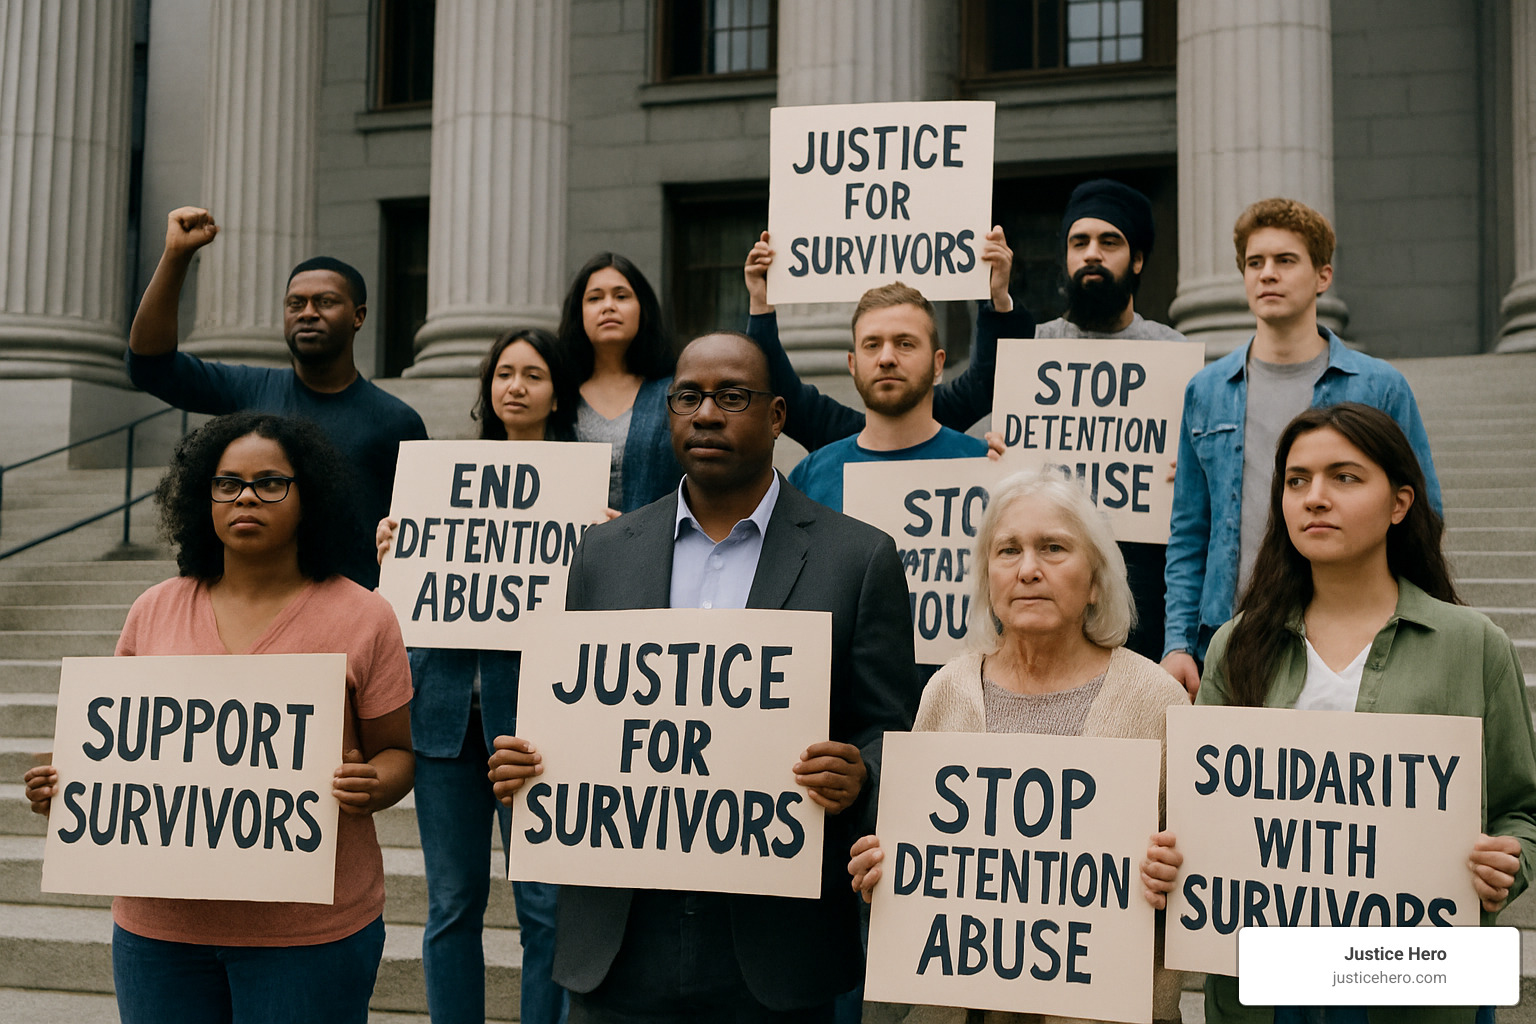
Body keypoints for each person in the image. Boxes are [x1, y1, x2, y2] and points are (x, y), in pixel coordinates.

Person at [487, 330, 922, 1021]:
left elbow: (890, 732)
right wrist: (528, 762)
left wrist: (860, 773)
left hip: (776, 952)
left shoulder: (859, 558)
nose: (707, 414)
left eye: (733, 397)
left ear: (777, 416)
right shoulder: (601, 553)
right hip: (619, 945)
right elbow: (576, 719)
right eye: (687, 397)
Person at [1141, 403, 1536, 1024]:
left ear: (1400, 503)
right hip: (1264, 989)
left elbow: (1521, 810)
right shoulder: (1236, 644)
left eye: (1344, 477)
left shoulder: (1475, 645)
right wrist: (1168, 858)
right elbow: (1198, 817)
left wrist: (1510, 861)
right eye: (1297, 480)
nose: (1315, 497)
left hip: (1415, 986)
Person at [23, 411, 413, 1023]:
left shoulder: (365, 616)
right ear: (203, 497)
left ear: (309, 496)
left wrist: (374, 784)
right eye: (227, 483)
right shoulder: (153, 609)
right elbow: (122, 746)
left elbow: (399, 754)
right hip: (159, 934)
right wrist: (70, 787)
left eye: (270, 483)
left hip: (309, 934)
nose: (245, 498)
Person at [849, 468, 1188, 1024]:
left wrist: (1175, 873)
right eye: (1008, 550)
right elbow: (920, 856)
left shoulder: (1156, 700)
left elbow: (1201, 879)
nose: (1028, 569)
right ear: (987, 579)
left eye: (1053, 547)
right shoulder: (946, 692)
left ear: (1096, 581)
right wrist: (885, 868)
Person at [1161, 198, 1442, 698]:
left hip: (1354, 636)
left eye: (1285, 260)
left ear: (1322, 276)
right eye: (1255, 262)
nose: (1267, 273)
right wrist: (1178, 643)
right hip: (1233, 635)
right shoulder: (1206, 390)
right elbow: (1189, 531)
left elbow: (1422, 515)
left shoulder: (1378, 386)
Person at [376, 328, 575, 1024]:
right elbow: (409, 606)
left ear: (558, 394)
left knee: (544, 907)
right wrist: (395, 553)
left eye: (533, 374)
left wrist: (602, 547)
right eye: (504, 374)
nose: (515, 386)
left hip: (539, 729)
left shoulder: (581, 487)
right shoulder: (441, 481)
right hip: (443, 721)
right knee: (452, 905)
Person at [126, 206, 428, 589]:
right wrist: (176, 256)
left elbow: (425, 531)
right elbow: (150, 366)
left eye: (325, 302)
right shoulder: (249, 391)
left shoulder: (396, 421)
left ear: (359, 316)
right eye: (295, 304)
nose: (307, 313)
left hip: (351, 609)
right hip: (257, 604)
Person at [1030, 178, 1194, 663]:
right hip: (1051, 569)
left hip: (1143, 572)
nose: (1092, 254)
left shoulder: (1173, 352)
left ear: (1137, 260)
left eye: (1109, 242)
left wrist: (1187, 467)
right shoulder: (1033, 349)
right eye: (1079, 242)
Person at [742, 226, 1034, 454]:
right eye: (872, 345)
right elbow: (777, 388)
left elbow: (990, 377)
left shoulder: (973, 458)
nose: (886, 359)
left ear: (937, 364)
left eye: (905, 344)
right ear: (852, 364)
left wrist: (996, 298)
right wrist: (761, 303)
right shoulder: (823, 458)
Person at [556, 252, 683, 513]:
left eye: (621, 296)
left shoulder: (675, 393)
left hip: (653, 536)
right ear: (579, 313)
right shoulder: (558, 394)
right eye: (595, 298)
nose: (608, 306)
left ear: (642, 308)